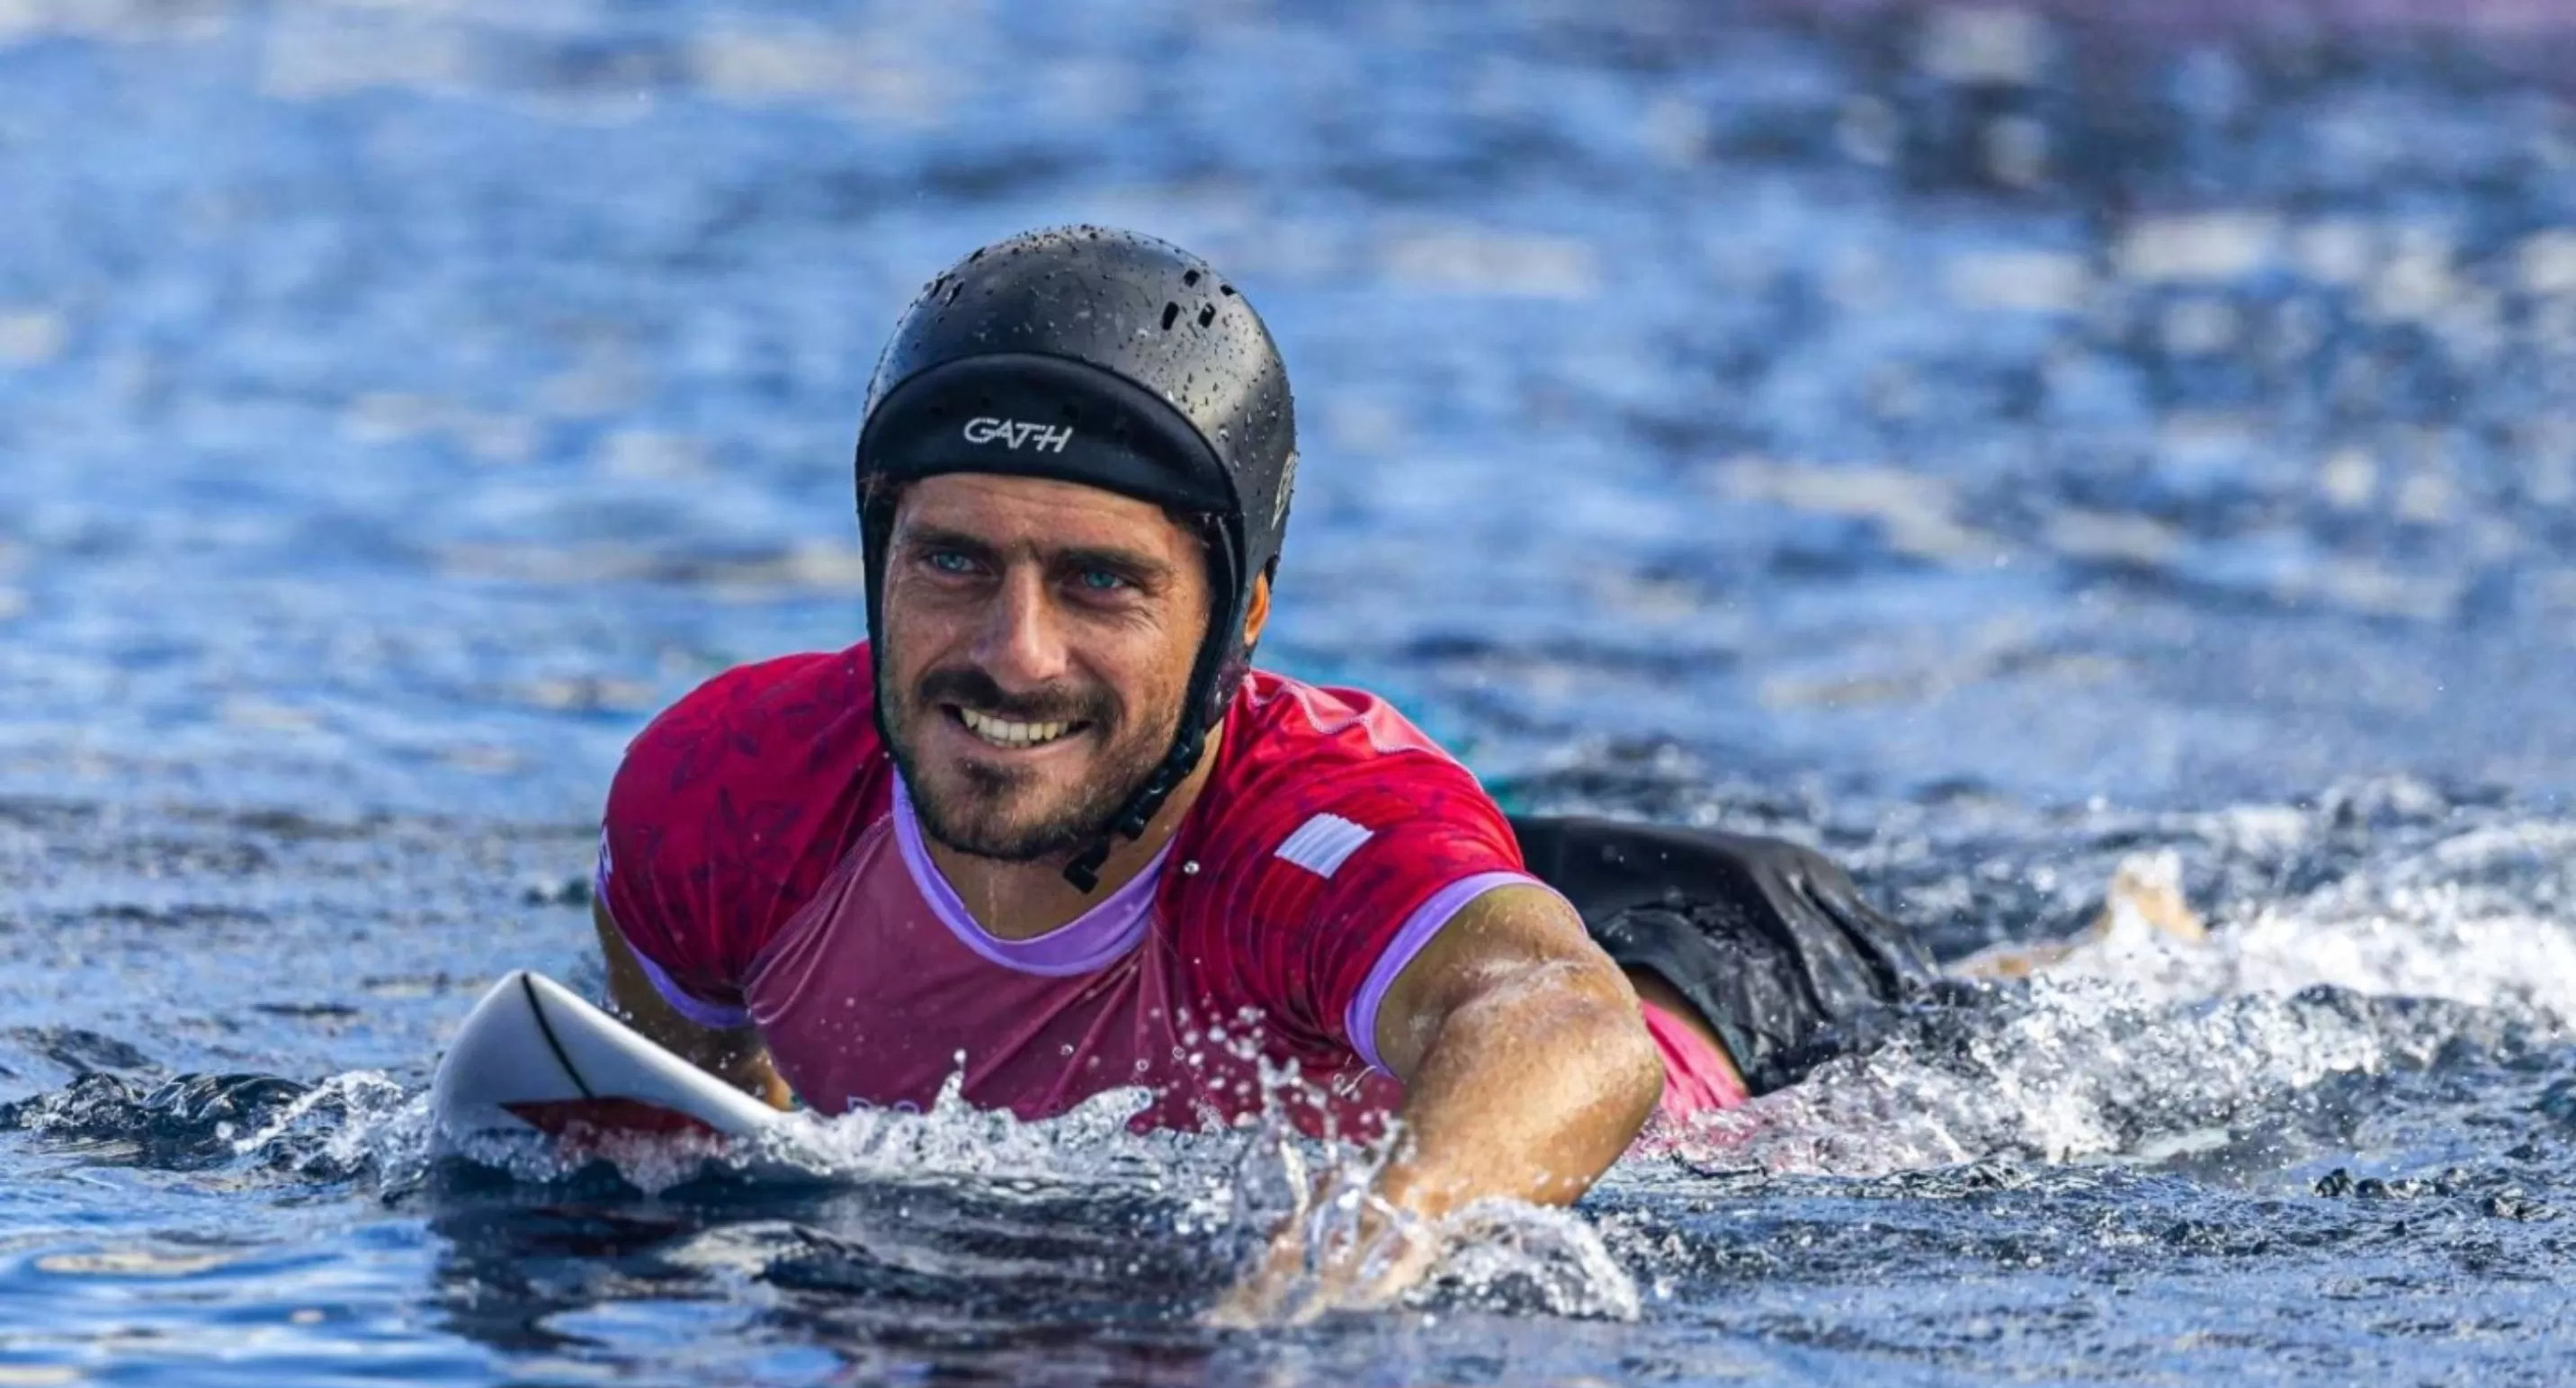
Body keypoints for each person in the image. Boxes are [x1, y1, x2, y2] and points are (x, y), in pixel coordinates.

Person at [592, 227, 1934, 1311]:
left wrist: (1366, 1257)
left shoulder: (1305, 832)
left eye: (1100, 582)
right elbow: (715, 1128)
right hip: (1460, 902)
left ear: (1240, 621)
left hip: (1724, 983)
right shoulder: (724, 798)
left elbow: (1568, 1026)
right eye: (954, 560)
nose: (1014, 655)